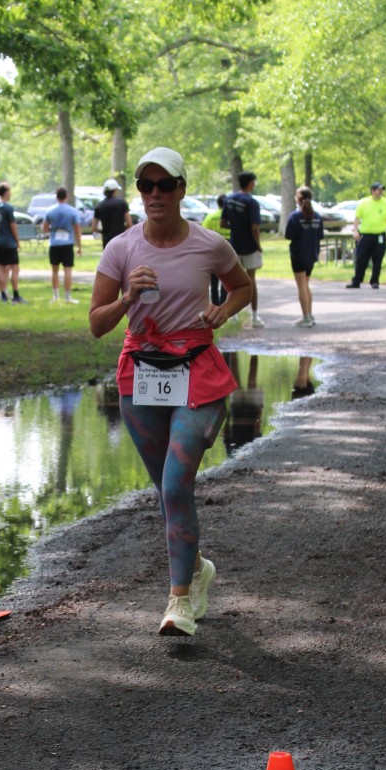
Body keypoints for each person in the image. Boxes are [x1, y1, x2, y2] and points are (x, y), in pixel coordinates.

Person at [89, 145, 252, 637]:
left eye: (164, 185)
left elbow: (242, 287)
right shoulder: (120, 249)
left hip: (196, 370)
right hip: (141, 374)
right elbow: (96, 324)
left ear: (181, 189)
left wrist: (223, 310)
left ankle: (178, 600)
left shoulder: (210, 245)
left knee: (177, 483)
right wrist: (127, 298)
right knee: (166, 489)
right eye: (146, 186)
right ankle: (197, 568)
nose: (154, 194)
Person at [222, 170, 265, 326]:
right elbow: (255, 228)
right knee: (251, 280)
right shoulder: (252, 202)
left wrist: (236, 227)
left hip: (234, 245)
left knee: (232, 282)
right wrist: (258, 245)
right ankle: (254, 317)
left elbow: (223, 223)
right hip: (250, 247)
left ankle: (232, 316)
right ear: (251, 183)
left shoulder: (229, 199)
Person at [284, 185, 323, 324]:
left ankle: (306, 317)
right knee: (306, 285)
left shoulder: (295, 216)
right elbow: (320, 236)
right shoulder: (317, 216)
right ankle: (309, 315)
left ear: (299, 199)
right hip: (312, 254)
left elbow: (288, 235)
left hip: (298, 254)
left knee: (301, 286)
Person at [345, 182, 386, 289]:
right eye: (378, 190)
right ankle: (357, 281)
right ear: (373, 191)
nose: (381, 192)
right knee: (361, 258)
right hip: (366, 235)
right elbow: (357, 218)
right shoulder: (364, 202)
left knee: (377, 259)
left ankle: (375, 281)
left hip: (379, 235)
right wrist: (355, 231)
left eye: (382, 190)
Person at [43, 185, 83, 303]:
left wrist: (53, 229)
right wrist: (79, 246)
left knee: (54, 270)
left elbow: (45, 228)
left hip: (54, 243)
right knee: (68, 270)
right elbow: (77, 230)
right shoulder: (72, 211)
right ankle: (67, 296)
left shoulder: (50, 211)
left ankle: (55, 296)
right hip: (67, 243)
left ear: (56, 197)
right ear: (67, 196)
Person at [0, 181, 26, 303]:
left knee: (1, 268)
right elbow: (13, 226)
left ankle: (3, 295)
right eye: (9, 191)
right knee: (15, 268)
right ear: (6, 193)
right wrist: (17, 241)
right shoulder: (8, 208)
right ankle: (16, 295)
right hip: (8, 242)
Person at [93, 178, 132, 248]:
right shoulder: (122, 203)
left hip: (107, 242)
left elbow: (94, 227)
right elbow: (129, 223)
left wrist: (104, 232)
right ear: (115, 190)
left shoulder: (99, 206)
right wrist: (122, 229)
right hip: (121, 240)